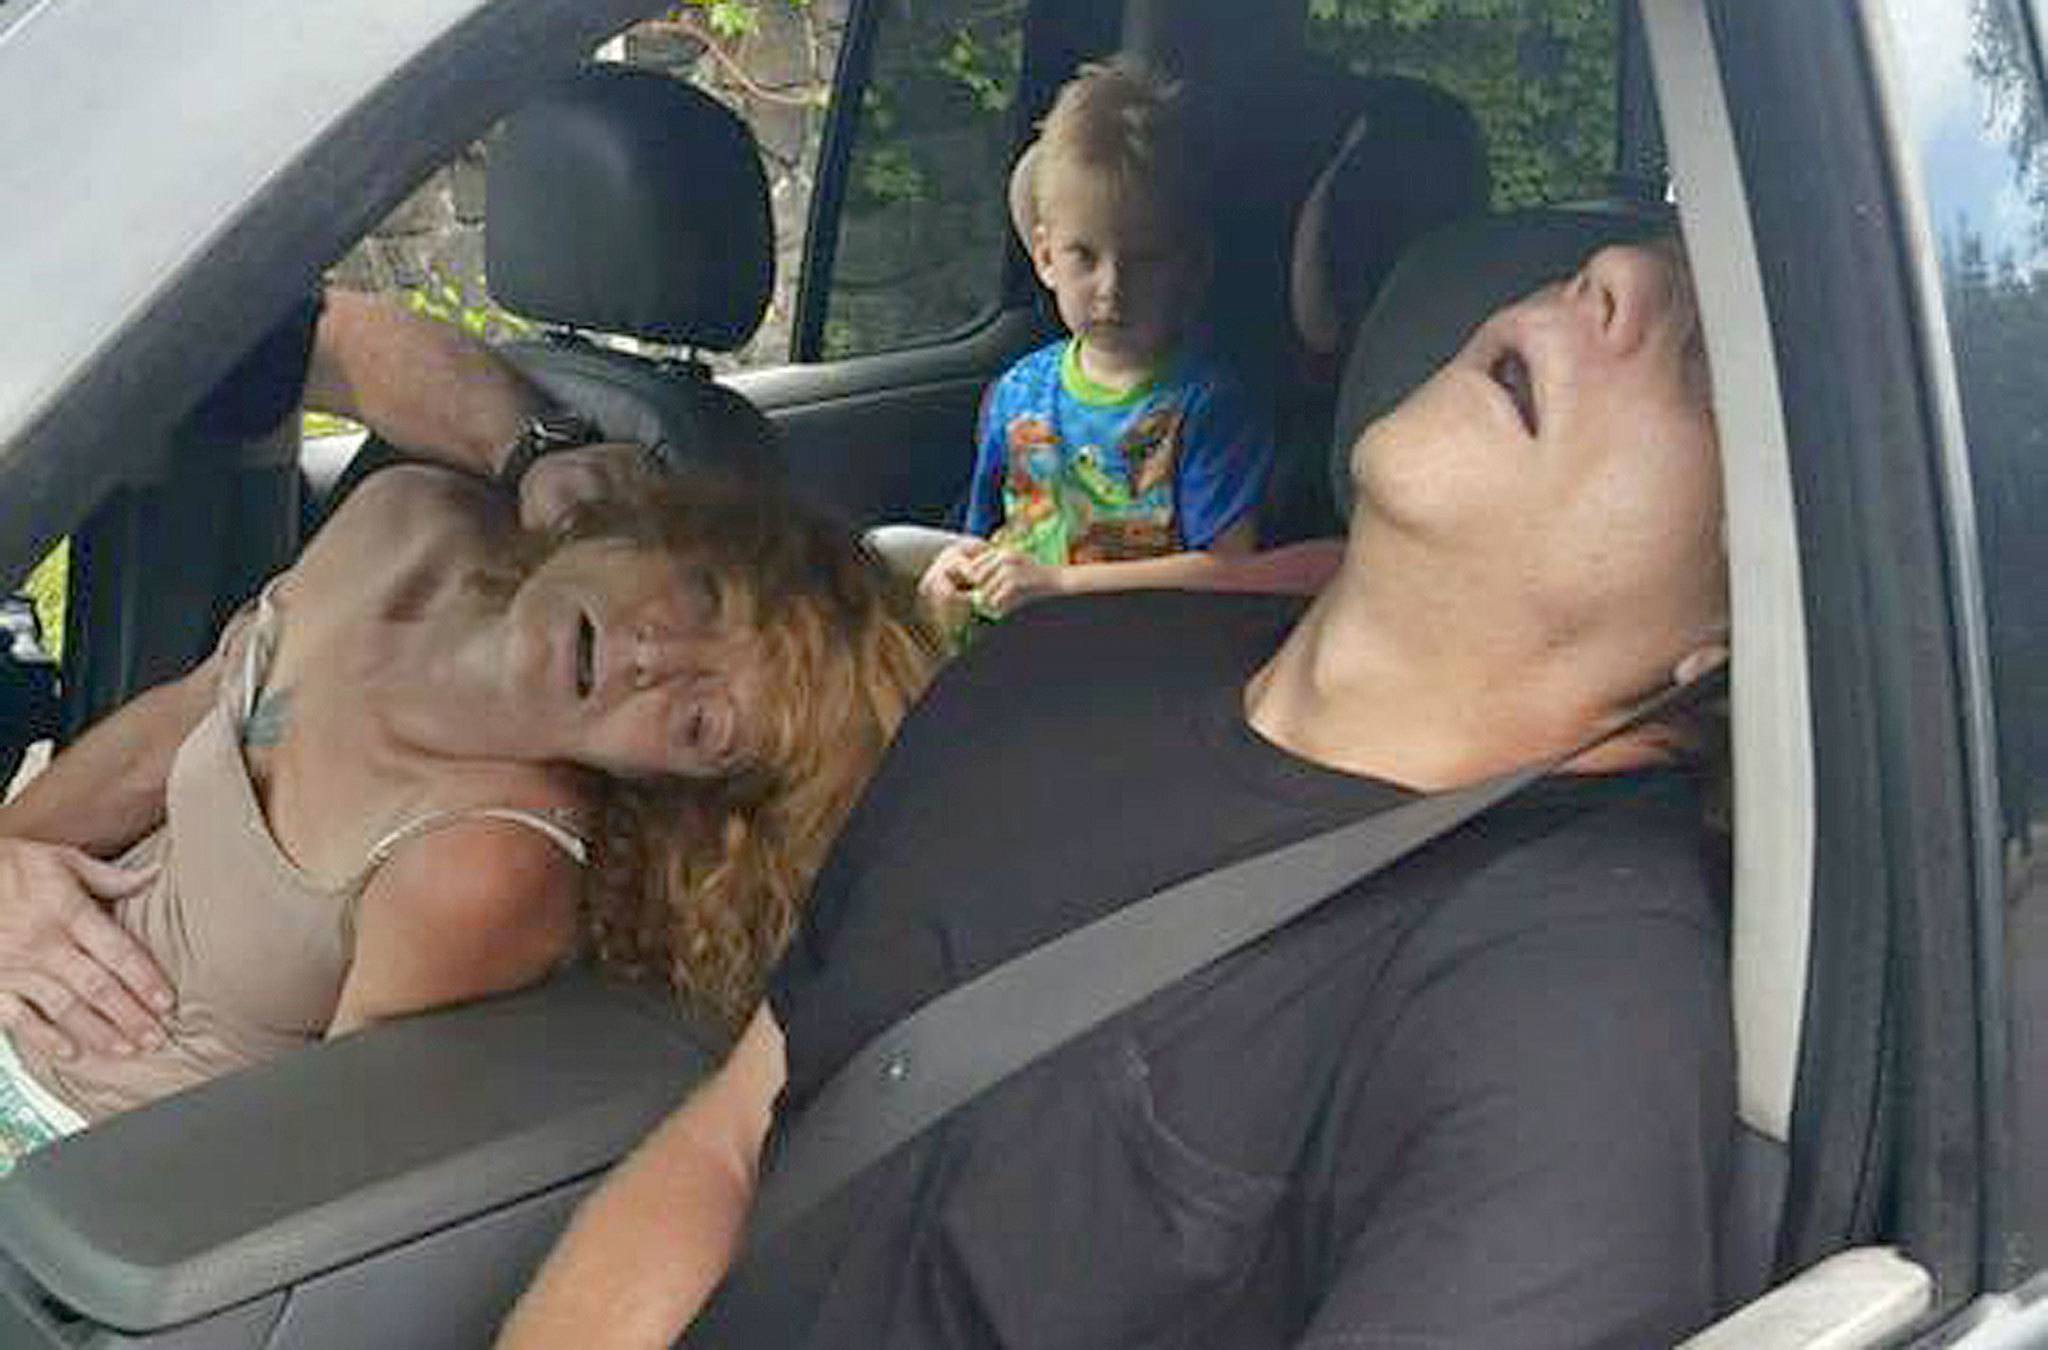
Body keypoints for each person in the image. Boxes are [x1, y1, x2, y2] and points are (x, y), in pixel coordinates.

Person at [497, 234, 1736, 1349]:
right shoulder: (1054, 668)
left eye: (1706, 364)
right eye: (1629, 256)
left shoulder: (1579, 1020)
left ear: (1735, 628)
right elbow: (735, 1138)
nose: (1612, 272)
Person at [0, 302, 936, 1162]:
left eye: (699, 720)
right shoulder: (405, 522)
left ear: (670, 782)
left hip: (84, 1170)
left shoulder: (482, 864)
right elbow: (186, 716)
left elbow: (306, 1174)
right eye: (699, 595)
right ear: (655, 531)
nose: (658, 656)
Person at [877, 58, 1279, 633]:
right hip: (1011, 650)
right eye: (1084, 257)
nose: (1112, 288)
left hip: (1134, 665)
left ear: (1190, 265)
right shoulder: (1017, 395)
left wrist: (1061, 585)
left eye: (1144, 260)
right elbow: (984, 537)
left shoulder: (1208, 408)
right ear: (1044, 257)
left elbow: (1227, 572)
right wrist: (954, 578)